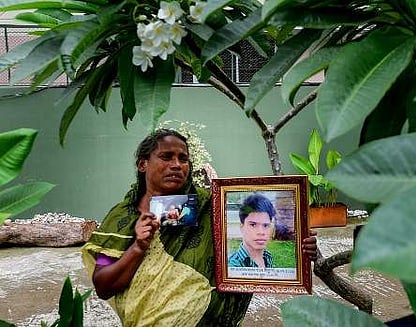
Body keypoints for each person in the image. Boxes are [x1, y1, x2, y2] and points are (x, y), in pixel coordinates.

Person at [82, 128, 318, 327]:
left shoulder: (213, 206)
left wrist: (300, 248)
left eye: (183, 159)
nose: (176, 165)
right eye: (166, 157)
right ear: (143, 164)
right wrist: (138, 247)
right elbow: (103, 286)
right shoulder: (123, 217)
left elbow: (252, 249)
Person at [228, 193, 276, 268]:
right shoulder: (232, 266)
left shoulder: (268, 257)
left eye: (265, 225)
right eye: (253, 225)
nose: (261, 232)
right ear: (242, 227)